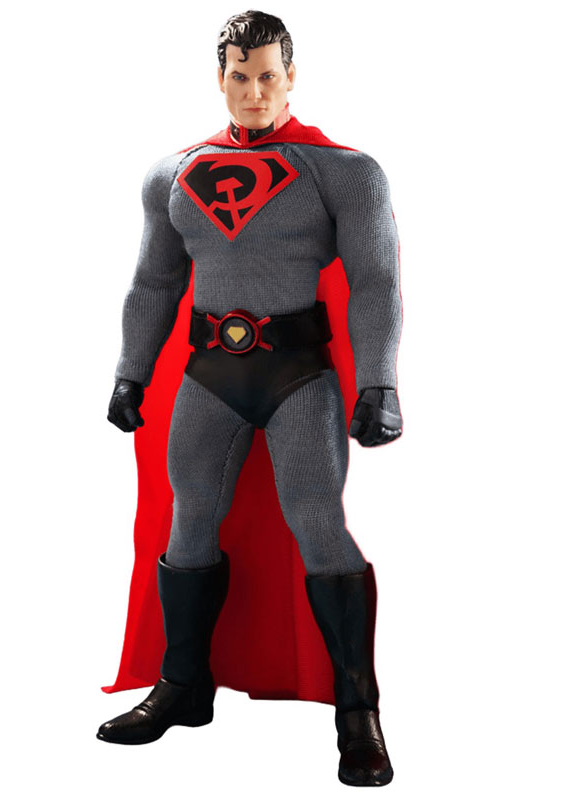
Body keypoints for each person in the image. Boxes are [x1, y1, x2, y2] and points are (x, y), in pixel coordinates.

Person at [97, 10, 402, 787]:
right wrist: (131, 371)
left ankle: (358, 711)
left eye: (269, 76)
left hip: (297, 375)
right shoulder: (173, 174)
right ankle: (182, 684)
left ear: (291, 77)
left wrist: (379, 383)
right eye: (240, 76)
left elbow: (375, 282)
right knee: (188, 519)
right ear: (220, 78)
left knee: (317, 523)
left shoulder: (344, 171)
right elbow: (154, 283)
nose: (255, 92)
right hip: (208, 377)